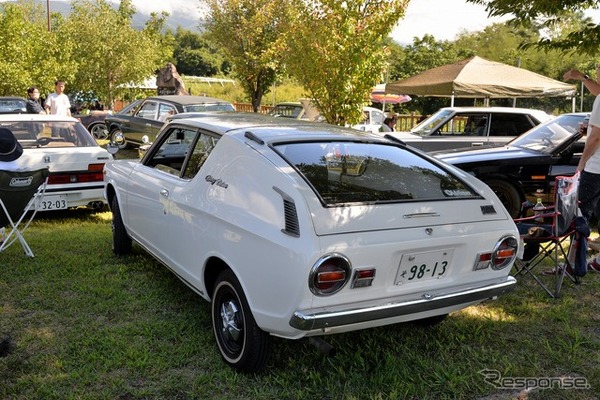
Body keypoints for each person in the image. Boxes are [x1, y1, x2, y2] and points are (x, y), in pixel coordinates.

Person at [564, 67, 600, 271]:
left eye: (597, 72)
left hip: (596, 168)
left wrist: (582, 163)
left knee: (580, 214)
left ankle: (573, 264)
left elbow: (597, 137)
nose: (595, 76)